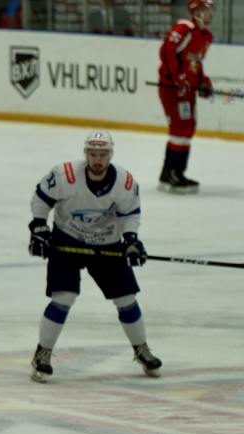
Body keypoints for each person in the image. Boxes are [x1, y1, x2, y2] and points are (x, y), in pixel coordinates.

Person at [27, 131, 160, 383]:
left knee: (126, 298)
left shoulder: (125, 182)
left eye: (103, 155)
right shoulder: (65, 175)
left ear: (110, 155)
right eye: (93, 154)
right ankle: (42, 353)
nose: (97, 160)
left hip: (106, 245)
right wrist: (39, 227)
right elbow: (41, 198)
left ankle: (141, 349)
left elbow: (130, 214)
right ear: (85, 154)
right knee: (63, 297)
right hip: (67, 243)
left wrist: (131, 239)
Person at [157, 0, 214, 193]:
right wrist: (177, 78)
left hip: (187, 90)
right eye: (208, 9)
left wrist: (203, 83)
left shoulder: (206, 36)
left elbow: (195, 64)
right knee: (179, 129)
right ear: (197, 12)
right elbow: (167, 50)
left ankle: (178, 173)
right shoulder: (185, 28)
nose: (212, 13)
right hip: (172, 88)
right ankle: (168, 174)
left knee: (189, 128)